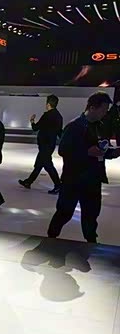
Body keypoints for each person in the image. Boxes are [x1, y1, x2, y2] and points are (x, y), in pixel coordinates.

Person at [47, 92, 114, 244]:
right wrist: (86, 152)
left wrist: (113, 152)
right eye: (103, 109)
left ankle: (91, 242)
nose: (105, 113)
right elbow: (63, 150)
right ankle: (50, 238)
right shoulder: (74, 126)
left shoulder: (100, 127)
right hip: (73, 179)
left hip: (93, 179)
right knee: (64, 212)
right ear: (92, 108)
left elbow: (102, 150)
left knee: (91, 215)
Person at [19, 94, 63, 194]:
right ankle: (28, 182)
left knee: (48, 165)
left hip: (44, 145)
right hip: (50, 144)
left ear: (48, 104)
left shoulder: (47, 116)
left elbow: (35, 128)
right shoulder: (59, 116)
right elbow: (59, 132)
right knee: (39, 164)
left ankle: (58, 185)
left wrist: (32, 121)